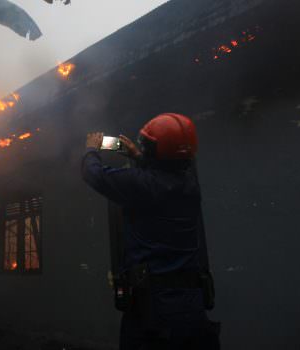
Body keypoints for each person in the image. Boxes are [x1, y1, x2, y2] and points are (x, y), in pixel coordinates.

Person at [82, 113, 220, 349]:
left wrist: (91, 150)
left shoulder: (140, 184)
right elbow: (164, 174)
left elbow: (93, 174)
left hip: (153, 312)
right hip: (192, 307)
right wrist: (138, 156)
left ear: (153, 151)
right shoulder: (190, 185)